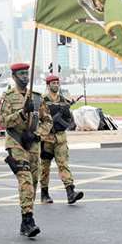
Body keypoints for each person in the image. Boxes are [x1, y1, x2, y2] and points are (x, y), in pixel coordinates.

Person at [0, 63, 52, 238]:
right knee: (26, 181)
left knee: (34, 182)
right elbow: (3, 121)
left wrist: (37, 134)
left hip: (33, 144)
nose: (24, 77)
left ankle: (24, 220)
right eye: (21, 74)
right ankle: (29, 220)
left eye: (26, 73)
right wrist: (22, 113)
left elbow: (48, 121)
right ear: (14, 77)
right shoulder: (8, 97)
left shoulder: (36, 98)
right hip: (16, 143)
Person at [40, 75, 83, 204]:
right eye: (53, 83)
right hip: (47, 139)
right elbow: (37, 119)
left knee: (63, 164)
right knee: (44, 167)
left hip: (60, 137)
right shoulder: (42, 100)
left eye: (57, 83)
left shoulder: (63, 101)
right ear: (48, 85)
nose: (56, 85)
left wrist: (63, 119)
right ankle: (44, 193)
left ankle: (70, 192)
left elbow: (68, 119)